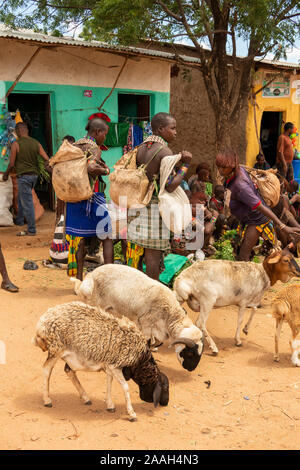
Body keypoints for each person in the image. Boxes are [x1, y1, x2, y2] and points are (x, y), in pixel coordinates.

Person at [127, 112, 192, 280]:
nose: (175, 132)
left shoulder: (141, 147)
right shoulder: (164, 151)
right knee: (153, 257)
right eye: (173, 128)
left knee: (141, 253)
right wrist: (185, 165)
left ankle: (140, 291)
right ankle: (153, 294)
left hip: (138, 204)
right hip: (154, 208)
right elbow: (170, 186)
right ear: (161, 129)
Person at [216, 148, 300, 261]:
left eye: (224, 167)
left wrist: (282, 226)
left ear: (232, 166)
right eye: (219, 167)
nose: (220, 170)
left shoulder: (240, 186)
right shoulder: (238, 170)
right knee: (240, 252)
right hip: (247, 219)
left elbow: (259, 206)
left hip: (256, 221)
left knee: (242, 257)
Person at [65, 118, 113, 280]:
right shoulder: (93, 147)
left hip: (74, 197)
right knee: (107, 236)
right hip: (93, 197)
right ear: (97, 132)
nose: (104, 138)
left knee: (82, 237)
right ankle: (109, 279)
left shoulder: (74, 146)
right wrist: (106, 170)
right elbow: (91, 167)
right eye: (104, 134)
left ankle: (79, 278)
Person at [3, 122, 50, 236]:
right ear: (27, 131)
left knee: (27, 203)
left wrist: (6, 174)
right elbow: (46, 158)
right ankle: (19, 220)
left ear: (18, 131)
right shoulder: (36, 143)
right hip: (34, 176)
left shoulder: (16, 144)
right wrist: (49, 168)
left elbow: (12, 163)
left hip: (24, 177)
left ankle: (31, 229)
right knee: (21, 197)